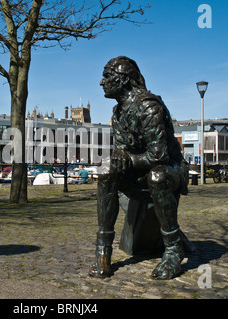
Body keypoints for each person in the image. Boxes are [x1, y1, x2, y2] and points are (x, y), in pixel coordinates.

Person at [89, 56, 189, 280]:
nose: (101, 82)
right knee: (106, 171)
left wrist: (129, 160)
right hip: (140, 170)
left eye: (106, 76)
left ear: (123, 79)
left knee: (156, 177)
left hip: (169, 168)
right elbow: (123, 149)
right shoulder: (117, 113)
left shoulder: (148, 105)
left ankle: (173, 250)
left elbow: (159, 155)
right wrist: (117, 158)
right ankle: (103, 250)